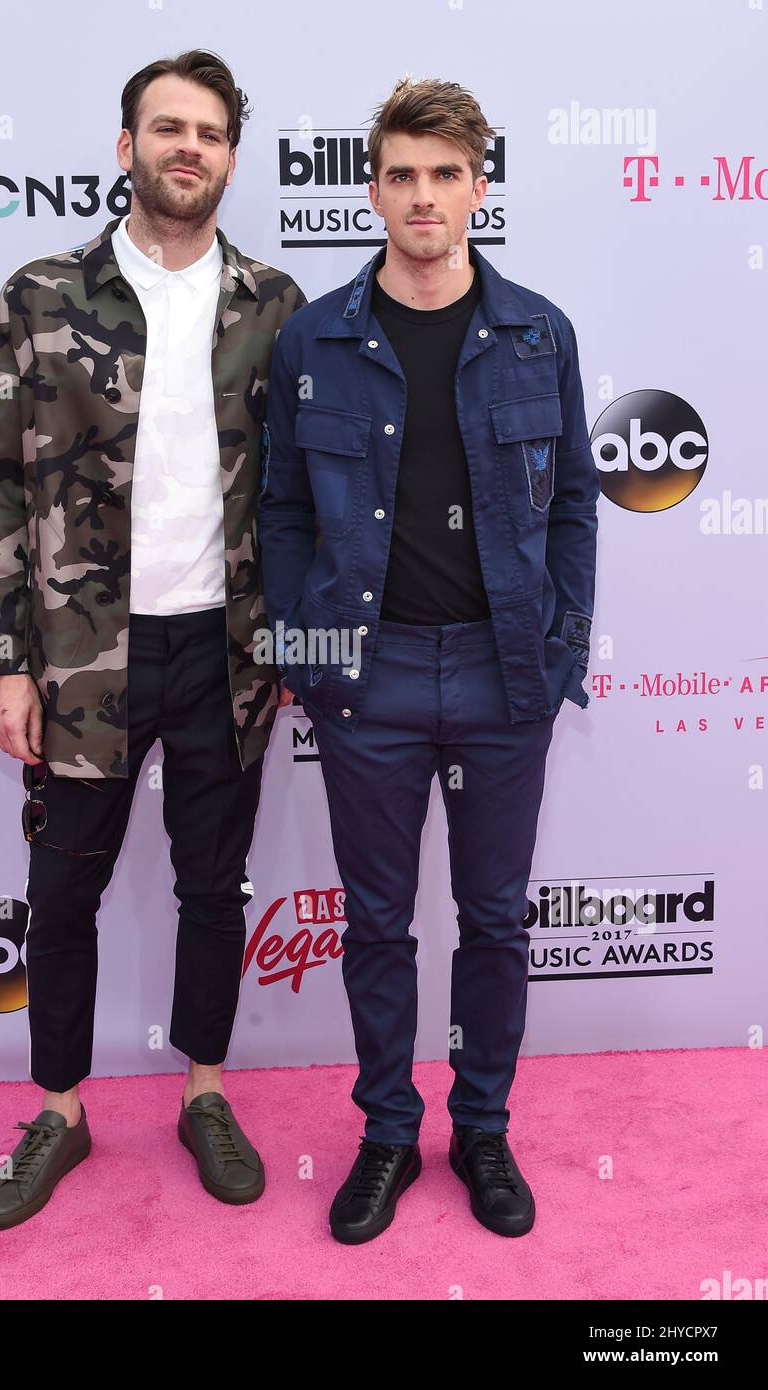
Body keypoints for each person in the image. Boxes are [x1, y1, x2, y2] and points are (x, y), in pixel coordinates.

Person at [258, 75, 599, 1245]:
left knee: (496, 920)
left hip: (506, 672)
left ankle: (485, 1128)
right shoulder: (315, 338)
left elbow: (574, 511)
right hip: (369, 675)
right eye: (400, 173)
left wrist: (557, 646)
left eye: (443, 174)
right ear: (371, 188)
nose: (421, 196)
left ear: (477, 189)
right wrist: (308, 656)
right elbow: (283, 510)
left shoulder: (537, 330)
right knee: (376, 922)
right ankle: (387, 1133)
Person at [0, 49, 304, 1230]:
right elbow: (1, 490)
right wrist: (7, 660)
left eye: (210, 132)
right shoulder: (39, 294)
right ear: (127, 148)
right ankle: (57, 1112)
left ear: (227, 157)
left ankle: (204, 1094)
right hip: (78, 660)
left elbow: (303, 494)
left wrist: (302, 645)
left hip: (227, 654)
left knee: (213, 890)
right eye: (168, 127)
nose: (187, 148)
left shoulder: (274, 305)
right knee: (61, 900)